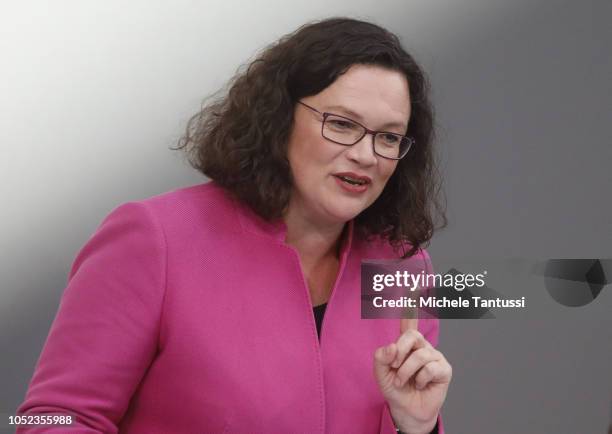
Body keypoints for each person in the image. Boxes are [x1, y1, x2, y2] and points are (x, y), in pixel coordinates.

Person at [16, 17, 451, 434]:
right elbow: (52, 418)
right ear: (279, 119)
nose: (367, 155)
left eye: (389, 137)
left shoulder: (402, 269)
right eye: (341, 124)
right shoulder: (155, 239)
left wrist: (416, 428)